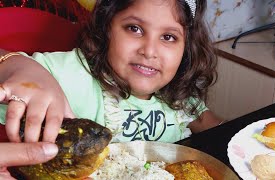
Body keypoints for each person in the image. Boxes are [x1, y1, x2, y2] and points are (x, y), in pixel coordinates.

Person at [0, 0, 221, 144]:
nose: (150, 51)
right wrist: (19, 66)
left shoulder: (179, 91)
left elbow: (208, 123)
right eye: (134, 29)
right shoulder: (72, 76)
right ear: (106, 28)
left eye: (168, 37)